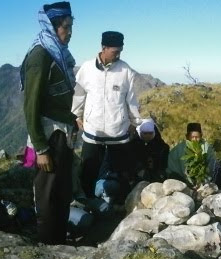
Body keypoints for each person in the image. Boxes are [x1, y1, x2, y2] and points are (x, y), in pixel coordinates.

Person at [21, 1, 76, 244]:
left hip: (61, 132)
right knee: (47, 192)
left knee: (62, 190)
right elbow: (31, 104)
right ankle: (47, 242)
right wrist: (41, 148)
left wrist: (73, 118)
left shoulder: (57, 53)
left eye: (71, 26)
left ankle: (59, 238)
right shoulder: (41, 55)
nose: (70, 32)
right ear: (53, 27)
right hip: (48, 135)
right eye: (67, 27)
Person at [71, 31, 141, 198]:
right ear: (104, 47)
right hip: (92, 131)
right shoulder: (87, 69)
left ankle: (121, 207)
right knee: (88, 170)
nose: (118, 55)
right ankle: (87, 201)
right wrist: (75, 116)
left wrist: (135, 122)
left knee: (122, 172)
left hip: (118, 132)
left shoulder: (126, 71)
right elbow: (78, 94)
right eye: (114, 51)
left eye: (120, 51)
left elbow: (131, 99)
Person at [128, 118, 170, 183]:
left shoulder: (162, 147)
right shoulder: (133, 146)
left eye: (150, 133)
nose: (147, 136)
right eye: (145, 133)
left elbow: (163, 164)